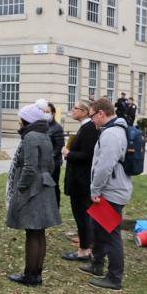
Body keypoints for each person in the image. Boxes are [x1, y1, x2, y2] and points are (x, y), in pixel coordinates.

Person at [5, 103, 60, 286]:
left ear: (27, 120)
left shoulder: (30, 137)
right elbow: (51, 165)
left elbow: (29, 167)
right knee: (39, 232)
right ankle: (36, 274)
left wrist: (21, 188)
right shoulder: (44, 134)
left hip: (33, 190)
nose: (18, 122)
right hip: (45, 185)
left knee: (32, 233)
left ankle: (29, 275)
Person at [81, 97, 133, 290]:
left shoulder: (111, 134)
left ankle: (114, 277)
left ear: (101, 114)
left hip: (110, 191)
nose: (92, 120)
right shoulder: (114, 131)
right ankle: (97, 264)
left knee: (111, 234)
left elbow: (104, 166)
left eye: (93, 115)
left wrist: (95, 189)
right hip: (110, 188)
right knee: (100, 229)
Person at [61, 101, 99, 262]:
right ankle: (86, 245)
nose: (73, 110)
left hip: (81, 182)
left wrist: (68, 153)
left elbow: (87, 155)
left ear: (85, 112)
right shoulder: (85, 127)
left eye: (76, 108)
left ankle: (84, 249)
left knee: (83, 216)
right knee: (81, 216)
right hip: (79, 180)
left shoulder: (89, 129)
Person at [46, 103, 65, 208]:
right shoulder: (42, 126)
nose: (45, 114)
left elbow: (59, 147)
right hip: (44, 163)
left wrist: (49, 157)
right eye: (43, 112)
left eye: (47, 112)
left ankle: (55, 206)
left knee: (53, 185)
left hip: (54, 163)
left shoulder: (57, 128)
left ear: (53, 113)